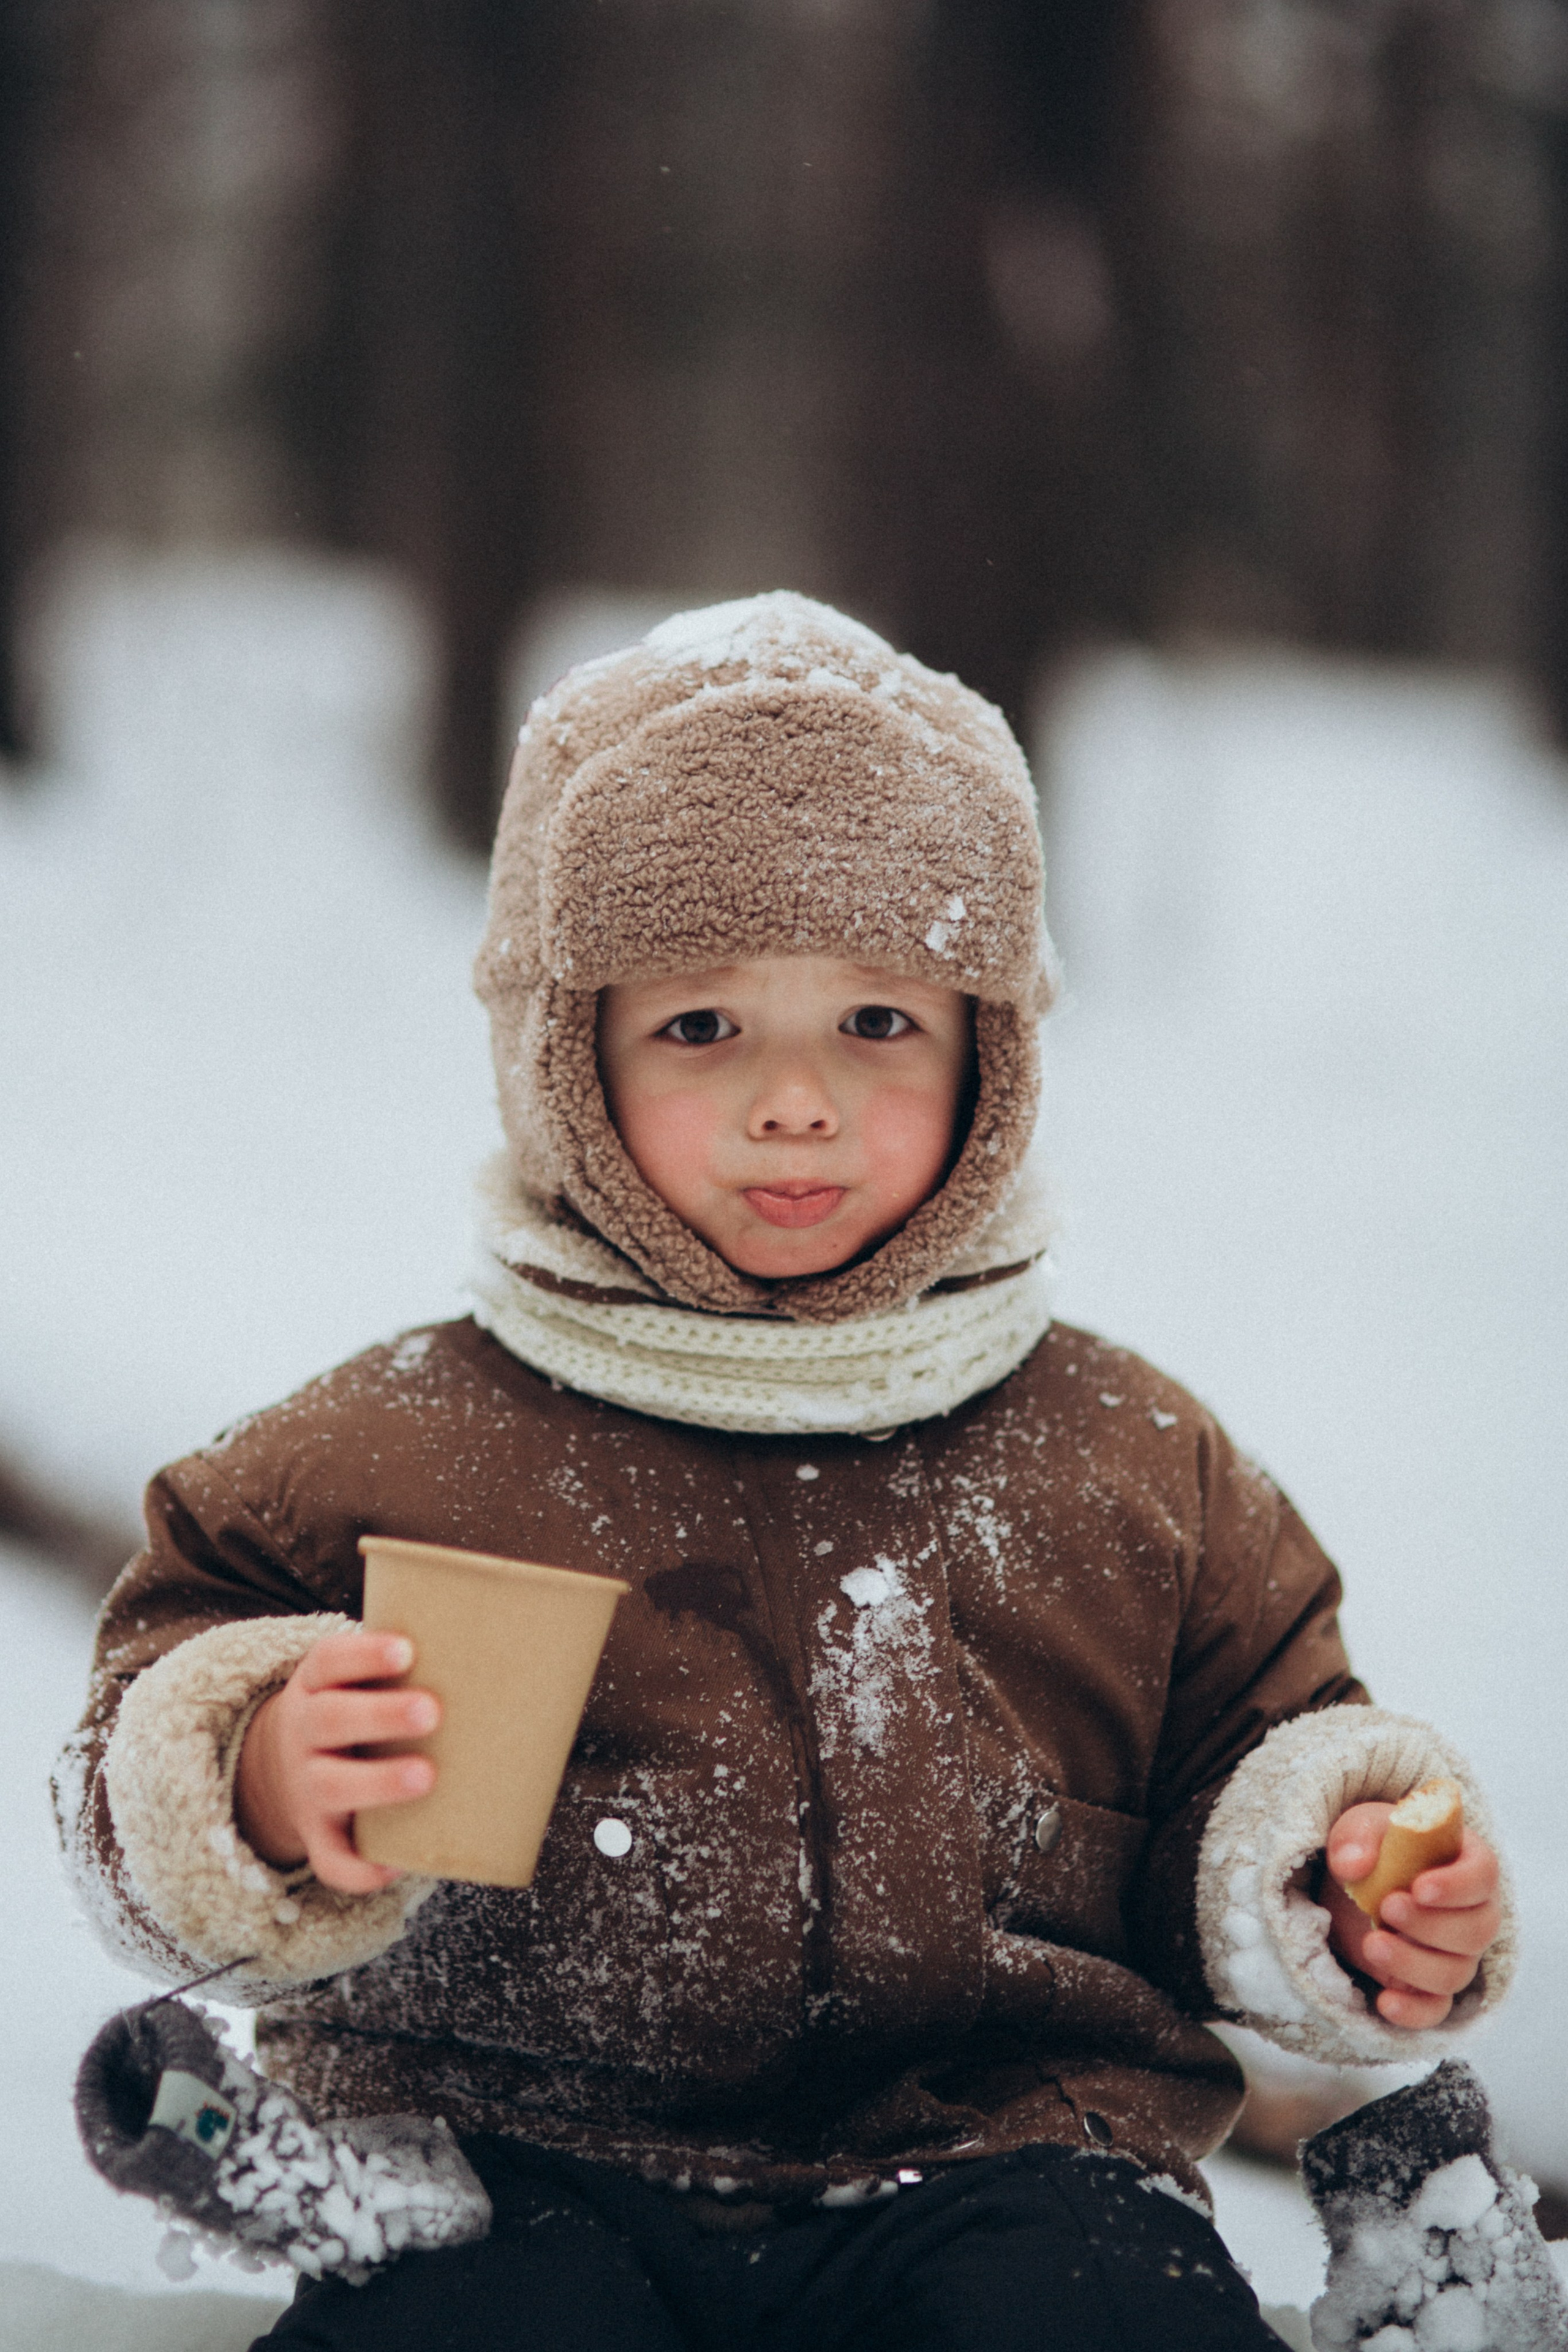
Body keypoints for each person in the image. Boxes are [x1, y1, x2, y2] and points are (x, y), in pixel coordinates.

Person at [56, 594, 1509, 2351]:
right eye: (702, 1029)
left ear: (994, 1049)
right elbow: (138, 1728)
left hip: (1007, 2152)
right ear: (564, 1048)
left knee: (1094, 2315)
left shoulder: (1133, 1465)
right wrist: (256, 1782)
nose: (796, 1104)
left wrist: (1341, 1889)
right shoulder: (395, 1448)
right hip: (511, 2160)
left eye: (878, 1024)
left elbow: (1254, 1759)